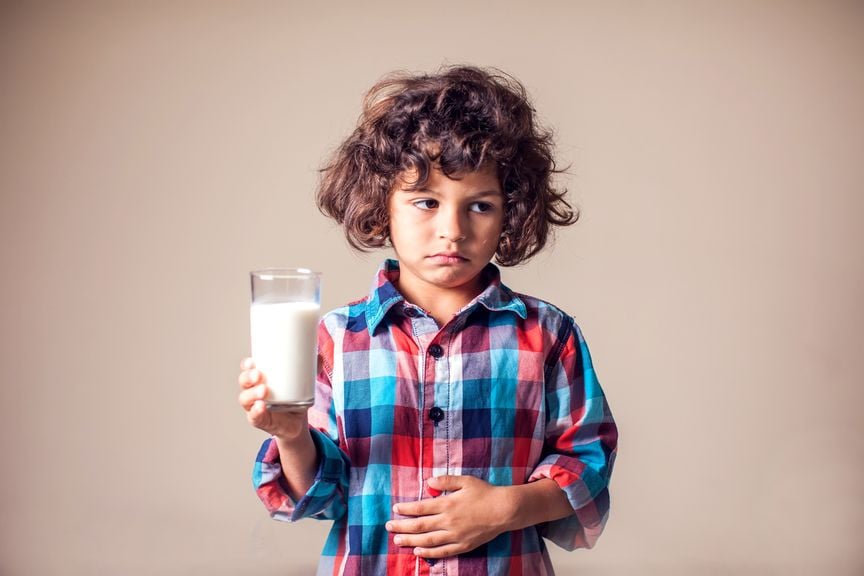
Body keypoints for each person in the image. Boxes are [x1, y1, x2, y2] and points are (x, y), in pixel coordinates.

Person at [238, 65, 618, 576]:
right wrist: (290, 436)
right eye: (426, 202)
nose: (452, 230)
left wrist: (507, 509)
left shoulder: (548, 334)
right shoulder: (335, 337)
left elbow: (588, 462)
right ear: (382, 206)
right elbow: (320, 494)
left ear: (511, 212)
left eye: (479, 205)